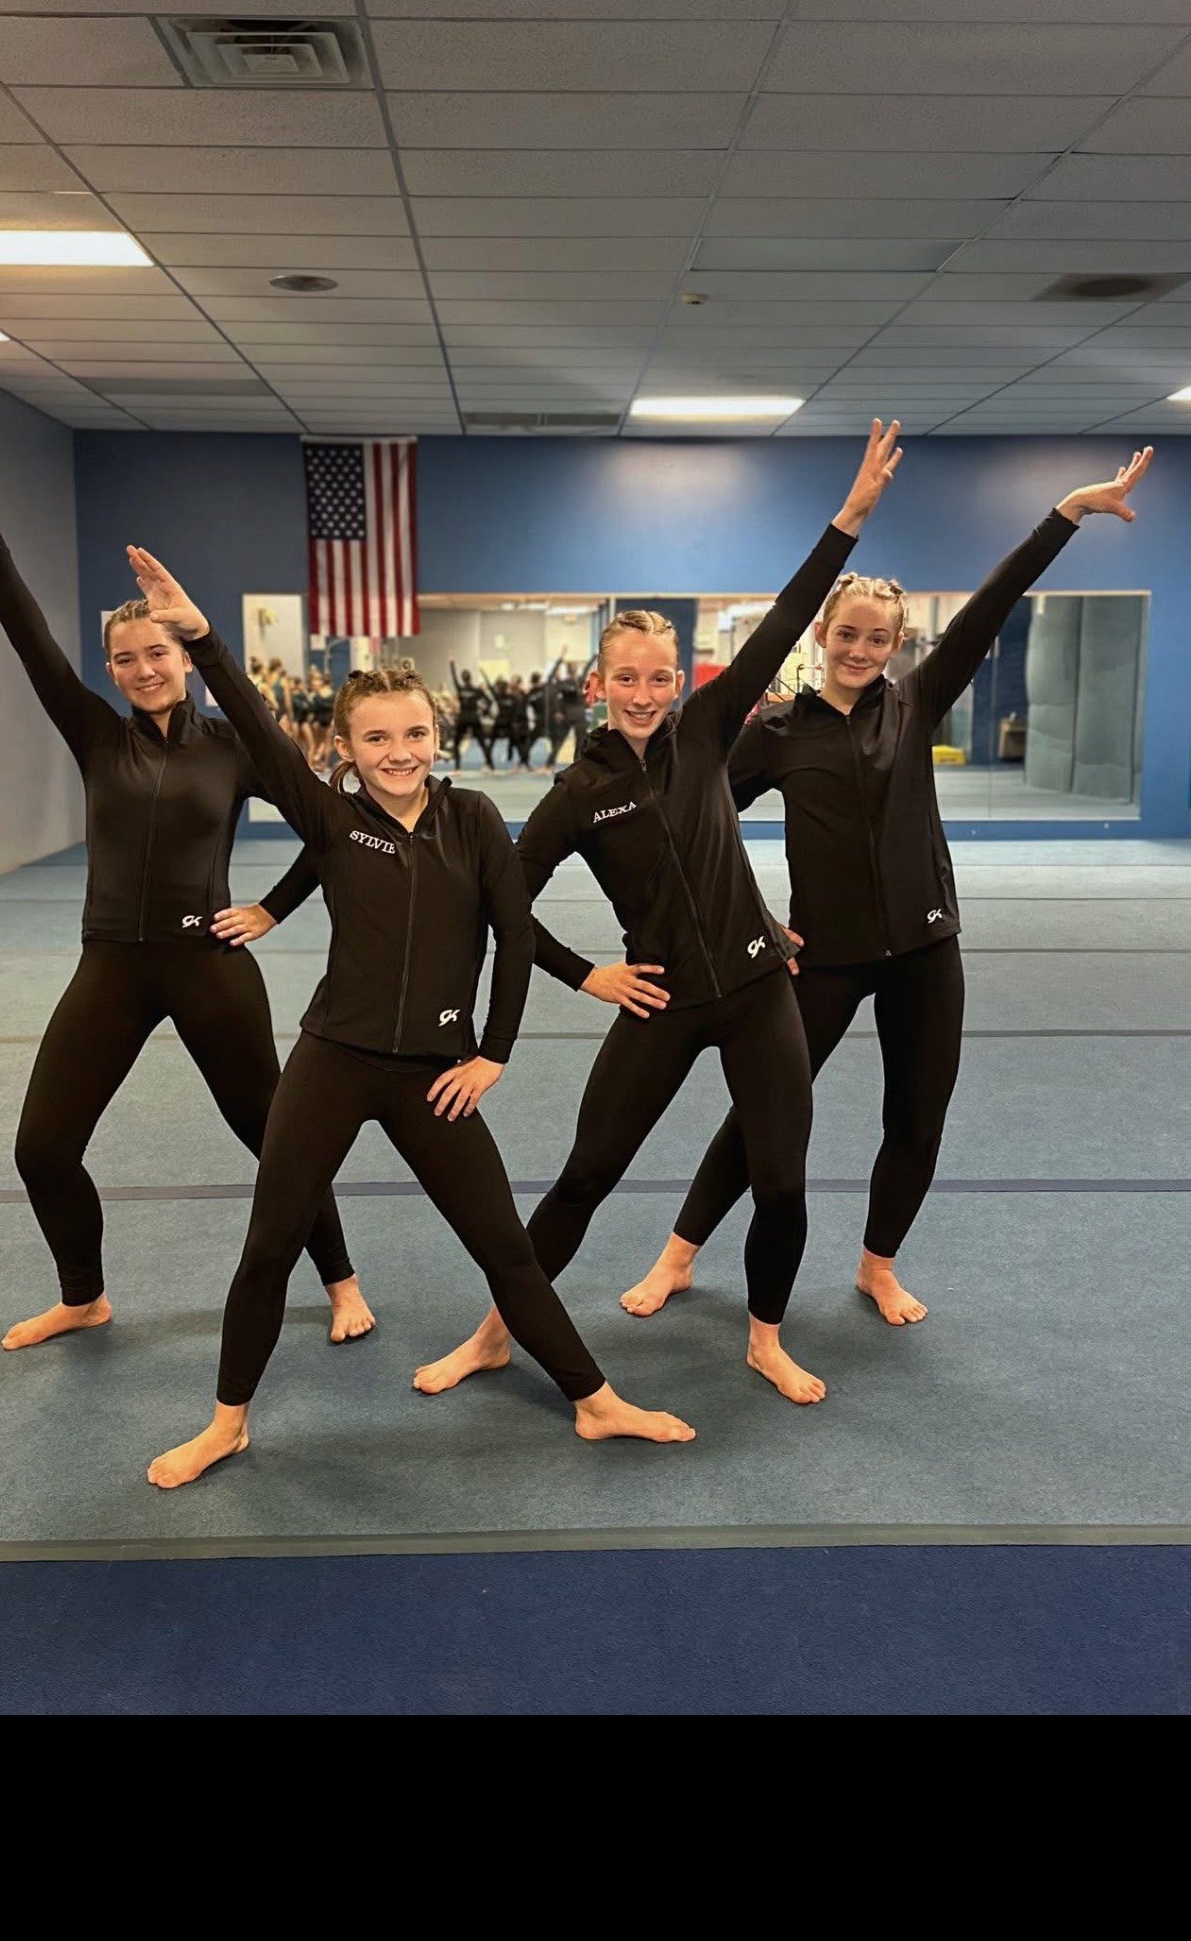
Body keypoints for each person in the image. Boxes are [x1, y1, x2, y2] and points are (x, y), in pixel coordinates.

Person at [122, 550, 697, 1488]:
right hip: (334, 1060)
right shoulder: (331, 820)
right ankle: (227, 1422)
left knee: (505, 1247)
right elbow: (263, 732)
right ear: (345, 748)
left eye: (416, 734)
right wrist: (199, 636)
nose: (399, 753)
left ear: (440, 733)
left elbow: (514, 938)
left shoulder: (473, 820)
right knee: (270, 1243)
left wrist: (493, 1056)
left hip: (434, 1072)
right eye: (378, 739)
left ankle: (595, 1401)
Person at [410, 422, 903, 1411]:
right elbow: (496, 902)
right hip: (661, 1000)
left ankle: (765, 1338)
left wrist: (848, 519)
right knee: (586, 1174)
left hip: (761, 990)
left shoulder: (714, 731)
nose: (642, 694)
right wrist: (587, 972)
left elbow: (788, 618)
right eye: (624, 679)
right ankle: (498, 1331)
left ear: (677, 681)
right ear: (599, 683)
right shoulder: (576, 793)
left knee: (782, 1183)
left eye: (657, 678)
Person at [622, 448, 1154, 1331]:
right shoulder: (777, 730)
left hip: (924, 948)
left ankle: (878, 1264)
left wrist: (1067, 511)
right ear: (821, 637)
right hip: (822, 957)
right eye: (848, 635)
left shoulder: (916, 702)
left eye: (880, 639)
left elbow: (992, 606)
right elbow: (699, 823)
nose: (862, 650)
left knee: (916, 1114)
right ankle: (679, 1254)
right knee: (763, 1114)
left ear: (896, 646)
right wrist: (754, 920)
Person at [0, 440, 373, 1353]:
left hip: (208, 965)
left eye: (158, 653)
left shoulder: (235, 746)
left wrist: (270, 909)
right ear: (112, 669)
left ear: (184, 655)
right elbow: (30, 643)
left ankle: (340, 1278)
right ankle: (84, 1294)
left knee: (275, 1142)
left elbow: (326, 835)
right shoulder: (97, 736)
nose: (142, 669)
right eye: (126, 657)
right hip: (113, 964)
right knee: (42, 1148)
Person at [449, 661, 494, 769]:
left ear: (463, 679)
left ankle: (457, 768)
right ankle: (490, 765)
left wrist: (451, 663)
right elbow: (489, 701)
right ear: (470, 678)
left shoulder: (460, 689)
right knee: (482, 743)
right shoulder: (476, 690)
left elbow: (454, 678)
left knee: (456, 743)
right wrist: (484, 711)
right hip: (474, 717)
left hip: (463, 718)